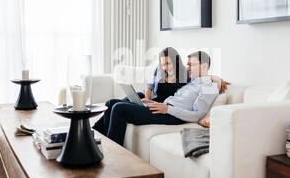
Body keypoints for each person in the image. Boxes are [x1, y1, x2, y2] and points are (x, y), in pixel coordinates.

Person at [93, 47, 229, 137]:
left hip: (173, 115)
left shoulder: (209, 87)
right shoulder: (193, 82)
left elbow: (197, 115)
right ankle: (94, 136)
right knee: (111, 103)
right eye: (187, 65)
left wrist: (167, 109)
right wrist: (152, 101)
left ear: (204, 66)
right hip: (163, 107)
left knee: (119, 109)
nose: (187, 68)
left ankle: (114, 154)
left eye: (191, 65)